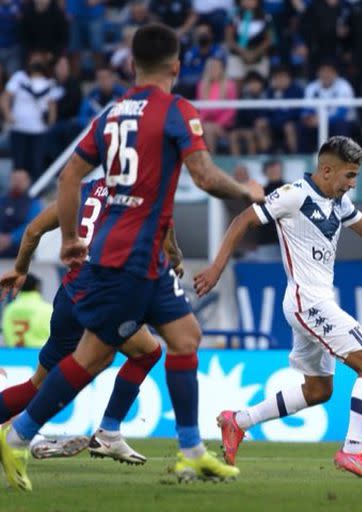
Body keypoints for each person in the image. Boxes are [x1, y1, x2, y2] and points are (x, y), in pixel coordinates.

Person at [0, 23, 263, 492]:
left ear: (132, 67)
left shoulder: (111, 113)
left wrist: (65, 243)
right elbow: (202, 176)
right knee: (90, 359)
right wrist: (248, 192)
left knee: (184, 337)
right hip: (127, 260)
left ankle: (191, 452)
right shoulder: (177, 110)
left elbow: (67, 179)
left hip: (141, 259)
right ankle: (19, 436)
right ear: (177, 67)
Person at [193, 136, 362, 477]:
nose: (352, 184)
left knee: (318, 390)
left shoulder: (339, 202)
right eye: (349, 176)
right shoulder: (294, 194)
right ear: (326, 170)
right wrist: (217, 267)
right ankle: (353, 450)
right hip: (306, 301)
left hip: (316, 300)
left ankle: (238, 422)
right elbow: (243, 221)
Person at [0, 178, 182, 465]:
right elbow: (162, 229)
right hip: (103, 297)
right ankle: (107, 432)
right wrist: (174, 255)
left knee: (37, 385)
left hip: (70, 299)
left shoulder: (83, 189)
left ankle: (107, 432)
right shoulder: (138, 192)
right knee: (147, 353)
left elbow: (33, 229)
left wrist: (21, 269)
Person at [1, 53, 58, 181]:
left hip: (38, 131)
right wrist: (8, 115)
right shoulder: (19, 77)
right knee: (19, 166)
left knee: (36, 166)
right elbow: (5, 97)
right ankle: (17, 196)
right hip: (19, 128)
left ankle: (33, 198)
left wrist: (50, 121)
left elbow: (52, 106)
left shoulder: (49, 82)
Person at [197, 57, 238, 153]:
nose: (213, 70)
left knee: (209, 128)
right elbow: (201, 109)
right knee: (199, 127)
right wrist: (202, 122)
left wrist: (219, 124)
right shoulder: (201, 84)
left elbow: (231, 110)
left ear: (222, 69)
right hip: (205, 122)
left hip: (224, 124)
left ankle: (212, 159)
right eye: (211, 67)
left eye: (216, 67)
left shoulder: (230, 85)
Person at [0, 170, 44, 258]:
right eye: (15, 179)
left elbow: (32, 225)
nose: (17, 183)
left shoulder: (34, 203)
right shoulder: (2, 200)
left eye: (21, 180)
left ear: (28, 182)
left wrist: (11, 238)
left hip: (22, 252)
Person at [2, 274, 51, 348]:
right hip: (39, 356)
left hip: (14, 357)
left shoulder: (9, 309)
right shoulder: (47, 309)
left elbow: (6, 335)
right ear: (37, 287)